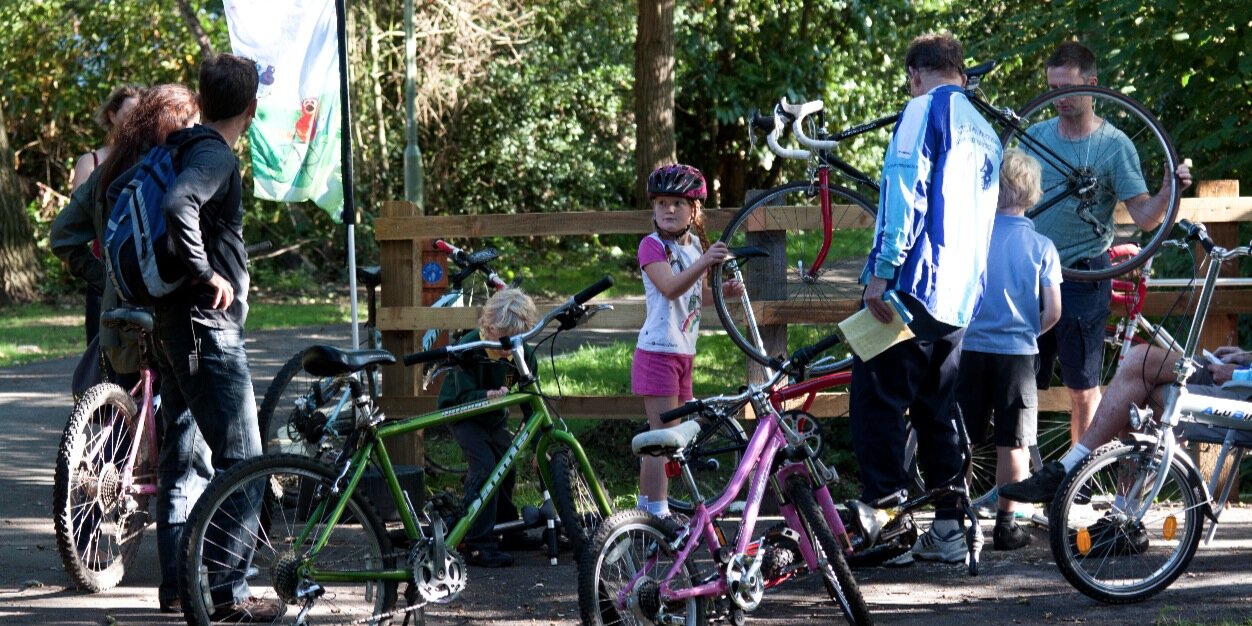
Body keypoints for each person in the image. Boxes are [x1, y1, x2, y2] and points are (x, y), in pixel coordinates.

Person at [117, 54, 279, 621]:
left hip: (171, 324)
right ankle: (228, 598)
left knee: (185, 463)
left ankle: (182, 587)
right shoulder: (212, 155)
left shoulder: (180, 145)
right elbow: (179, 202)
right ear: (251, 109)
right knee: (244, 463)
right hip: (205, 330)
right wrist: (207, 272)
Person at [849, 32, 1001, 565]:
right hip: (962, 294)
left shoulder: (921, 110)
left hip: (914, 286)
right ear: (959, 69)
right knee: (938, 410)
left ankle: (888, 529)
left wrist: (881, 271)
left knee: (877, 399)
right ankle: (948, 529)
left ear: (915, 74)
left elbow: (904, 187)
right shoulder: (985, 129)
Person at [1029, 41, 1193, 448]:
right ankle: (1024, 472)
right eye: (1052, 89)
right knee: (1022, 381)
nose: (1058, 100)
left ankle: (1074, 475)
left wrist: (1169, 190)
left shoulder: (1116, 144)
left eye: (1067, 89)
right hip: (1029, 274)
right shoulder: (1033, 136)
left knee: (1082, 387)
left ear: (1093, 84)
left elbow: (1144, 216)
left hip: (1083, 274)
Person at [51, 84, 201, 389]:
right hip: (168, 319)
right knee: (179, 419)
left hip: (118, 321)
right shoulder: (176, 170)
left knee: (124, 419)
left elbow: (61, 237)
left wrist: (109, 278)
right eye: (192, 124)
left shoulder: (106, 172)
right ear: (175, 124)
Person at [954, 149, 1063, 551]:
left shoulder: (971, 239)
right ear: (1033, 194)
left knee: (962, 437)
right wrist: (1029, 331)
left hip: (971, 349)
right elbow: (1053, 310)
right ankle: (1006, 524)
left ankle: (956, 518)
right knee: (1014, 441)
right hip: (1018, 354)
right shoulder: (1042, 246)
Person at [1003, 343, 1252, 503]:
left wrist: (1237, 374)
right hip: (1241, 375)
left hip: (1245, 391)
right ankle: (1072, 470)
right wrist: (1245, 357)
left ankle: (1120, 514)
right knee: (1140, 358)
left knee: (1138, 395)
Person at [633, 164, 740, 520]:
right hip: (658, 353)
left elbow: (692, 295)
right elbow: (671, 287)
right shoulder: (651, 247)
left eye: (677, 203)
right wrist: (707, 262)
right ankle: (654, 514)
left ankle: (653, 512)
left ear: (694, 210)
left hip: (683, 353)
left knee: (671, 439)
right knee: (659, 440)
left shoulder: (693, 246)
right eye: (661, 202)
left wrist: (722, 291)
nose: (668, 209)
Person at [437, 288, 540, 568]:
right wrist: (486, 397)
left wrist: (539, 447)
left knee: (506, 468)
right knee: (485, 469)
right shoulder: (470, 348)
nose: (508, 346)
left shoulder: (522, 354)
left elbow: (533, 401)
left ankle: (507, 529)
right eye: (503, 339)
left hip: (493, 416)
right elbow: (461, 395)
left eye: (515, 339)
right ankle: (478, 542)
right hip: (464, 412)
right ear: (489, 327)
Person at [66, 84, 142, 347]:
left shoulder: (147, 159)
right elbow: (76, 222)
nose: (136, 118)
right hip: (103, 275)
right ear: (112, 115)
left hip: (140, 276)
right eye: (130, 111)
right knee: (98, 355)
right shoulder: (91, 162)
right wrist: (94, 270)